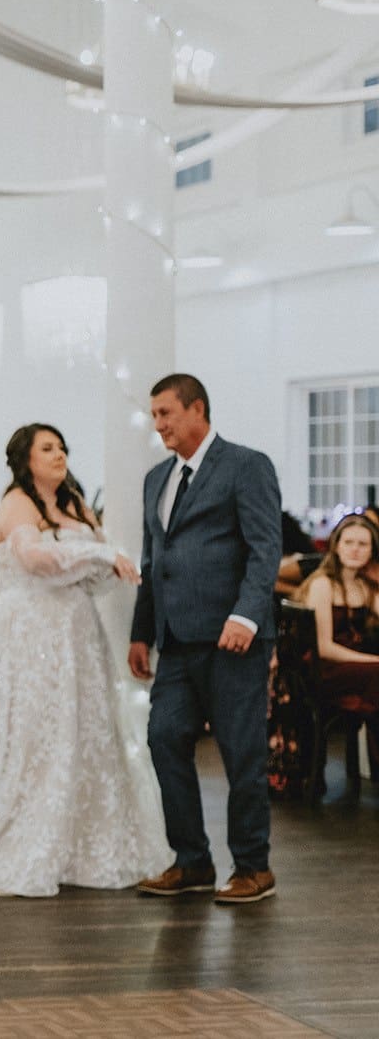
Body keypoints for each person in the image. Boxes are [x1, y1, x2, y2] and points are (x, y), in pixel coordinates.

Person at [0, 424, 170, 896]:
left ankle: (81, 845)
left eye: (62, 447)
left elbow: (94, 576)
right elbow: (36, 560)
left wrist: (102, 562)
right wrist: (101, 552)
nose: (59, 455)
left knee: (80, 731)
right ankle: (21, 841)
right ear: (25, 459)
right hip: (29, 633)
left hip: (76, 632)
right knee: (33, 734)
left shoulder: (74, 504)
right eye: (47, 448)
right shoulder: (16, 503)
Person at [131, 374, 280, 905]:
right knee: (164, 738)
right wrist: (141, 631)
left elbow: (266, 549)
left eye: (166, 413)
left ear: (197, 410)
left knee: (241, 754)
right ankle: (191, 861)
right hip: (175, 641)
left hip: (230, 639)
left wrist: (246, 616)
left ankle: (253, 866)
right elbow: (154, 560)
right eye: (153, 415)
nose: (159, 425)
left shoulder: (246, 465)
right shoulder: (155, 479)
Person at [293, 513, 379, 747]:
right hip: (323, 669)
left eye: (363, 544)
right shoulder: (323, 584)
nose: (355, 550)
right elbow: (324, 647)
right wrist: (372, 660)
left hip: (355, 668)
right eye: (348, 542)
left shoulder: (364, 586)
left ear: (372, 551)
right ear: (337, 546)